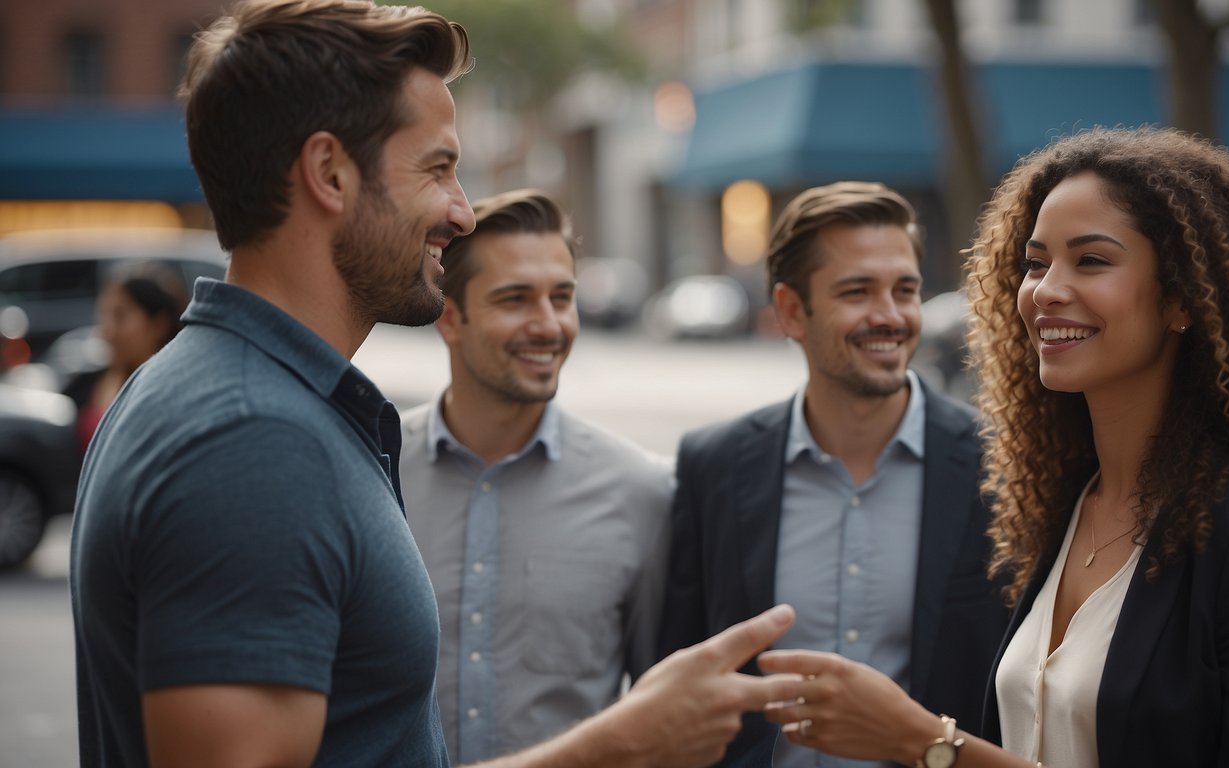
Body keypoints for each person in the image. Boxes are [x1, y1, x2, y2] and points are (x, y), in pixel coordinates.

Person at [68, 1, 800, 766]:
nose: (460, 212)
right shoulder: (253, 440)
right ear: (329, 173)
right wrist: (618, 745)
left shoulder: (239, 399)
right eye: (439, 168)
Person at [759, 127, 1229, 767]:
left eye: (1091, 260)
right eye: (1036, 263)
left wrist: (928, 744)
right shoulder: (1062, 506)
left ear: (1182, 298)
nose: (1046, 290)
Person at [659, 181, 1010, 767]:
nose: (890, 315)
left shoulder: (999, 466)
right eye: (857, 291)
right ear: (792, 310)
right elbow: (678, 678)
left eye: (905, 290)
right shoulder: (714, 465)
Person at [399, 188, 672, 762]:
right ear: (450, 317)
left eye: (562, 297)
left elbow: (662, 712)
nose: (549, 326)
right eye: (516, 299)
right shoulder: (372, 470)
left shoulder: (641, 492)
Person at [63, 261, 188, 454]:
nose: (108, 330)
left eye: (120, 316)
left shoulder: (176, 395)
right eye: (104, 315)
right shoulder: (84, 384)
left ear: (159, 323)